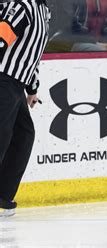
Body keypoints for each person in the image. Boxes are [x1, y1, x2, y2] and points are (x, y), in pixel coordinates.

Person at [0, 0, 50, 217]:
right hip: (3, 79)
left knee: (23, 136)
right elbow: (2, 35)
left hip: (15, 83)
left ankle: (2, 196)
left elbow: (33, 53)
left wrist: (32, 87)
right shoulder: (22, 5)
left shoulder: (43, 10)